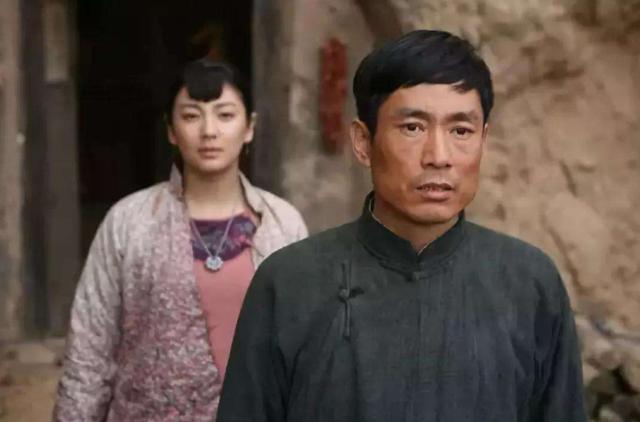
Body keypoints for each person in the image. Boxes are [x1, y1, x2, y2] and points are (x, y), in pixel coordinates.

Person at [217, 30, 586, 422]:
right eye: (413, 127)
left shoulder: (529, 284)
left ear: (484, 140)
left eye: (460, 131)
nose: (438, 156)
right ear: (363, 142)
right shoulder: (289, 282)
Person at [53, 59, 307, 421]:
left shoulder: (282, 223)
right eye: (191, 116)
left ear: (249, 127)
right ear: (171, 130)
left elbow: (306, 349)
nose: (209, 131)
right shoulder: (129, 222)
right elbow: (89, 350)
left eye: (225, 115)